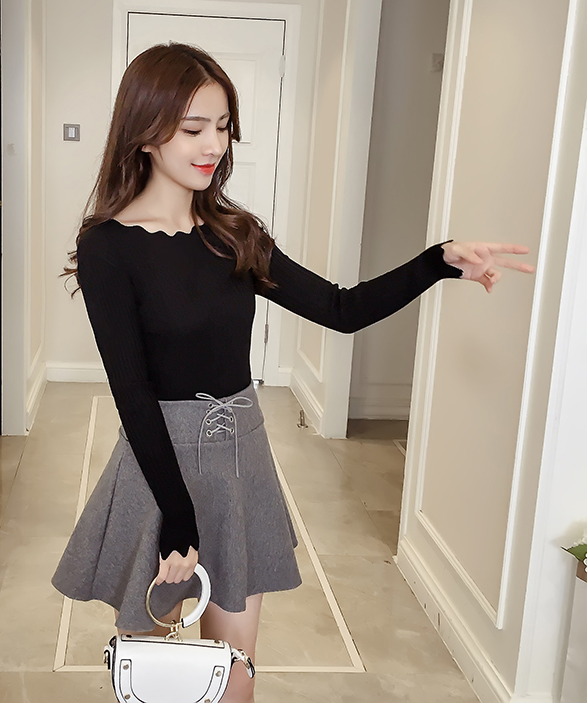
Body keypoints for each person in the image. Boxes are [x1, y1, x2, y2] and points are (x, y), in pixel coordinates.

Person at [52, 42, 535, 702]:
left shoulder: (235, 235)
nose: (214, 145)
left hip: (239, 457)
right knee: (159, 678)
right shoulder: (109, 247)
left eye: (224, 127)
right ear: (145, 132)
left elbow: (342, 309)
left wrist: (438, 262)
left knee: (233, 680)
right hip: (159, 464)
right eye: (193, 129)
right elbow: (132, 394)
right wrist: (177, 515)